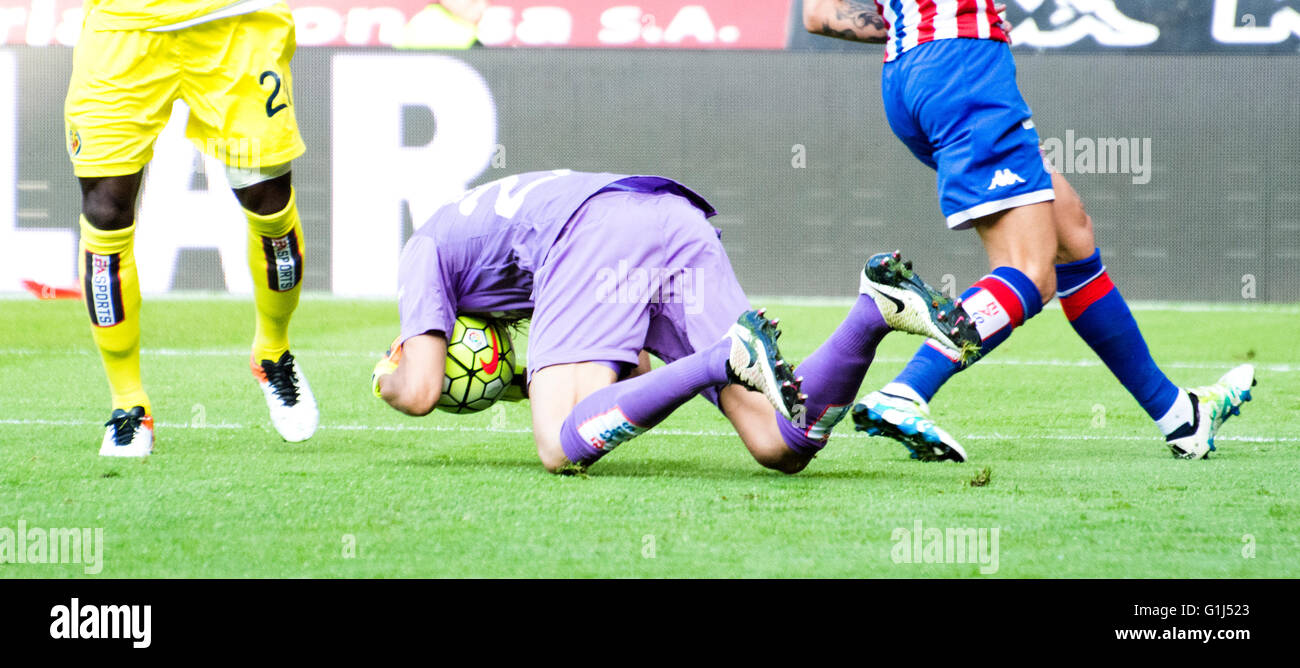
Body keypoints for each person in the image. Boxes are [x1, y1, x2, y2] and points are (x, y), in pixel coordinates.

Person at [801, 0, 1254, 461]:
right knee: (1031, 275)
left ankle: (1178, 414)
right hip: (965, 67)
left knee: (1071, 234)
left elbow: (819, 15)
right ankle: (906, 392)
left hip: (907, 75)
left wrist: (916, 27)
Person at [372, 169, 975, 474]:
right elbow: (629, 366)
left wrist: (386, 377)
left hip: (594, 232)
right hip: (664, 216)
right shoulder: (484, 243)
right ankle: (872, 311)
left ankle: (723, 357)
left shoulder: (422, 248)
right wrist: (519, 379)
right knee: (779, 442)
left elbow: (421, 387)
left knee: (558, 446)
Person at [67, 0, 318, 456]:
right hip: (127, 29)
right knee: (106, 212)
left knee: (268, 204)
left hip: (235, 24)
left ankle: (273, 351)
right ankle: (128, 404)